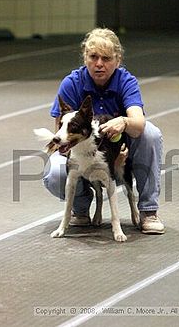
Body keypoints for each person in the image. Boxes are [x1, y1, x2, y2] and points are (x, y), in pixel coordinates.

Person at [43, 28, 165, 234]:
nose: (99, 64)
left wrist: (124, 122)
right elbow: (61, 137)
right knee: (55, 172)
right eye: (93, 57)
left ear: (118, 60)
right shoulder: (71, 83)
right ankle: (80, 210)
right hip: (82, 157)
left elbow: (139, 123)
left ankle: (148, 210)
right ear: (85, 58)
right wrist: (84, 158)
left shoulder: (126, 81)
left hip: (120, 159)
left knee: (151, 134)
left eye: (106, 58)